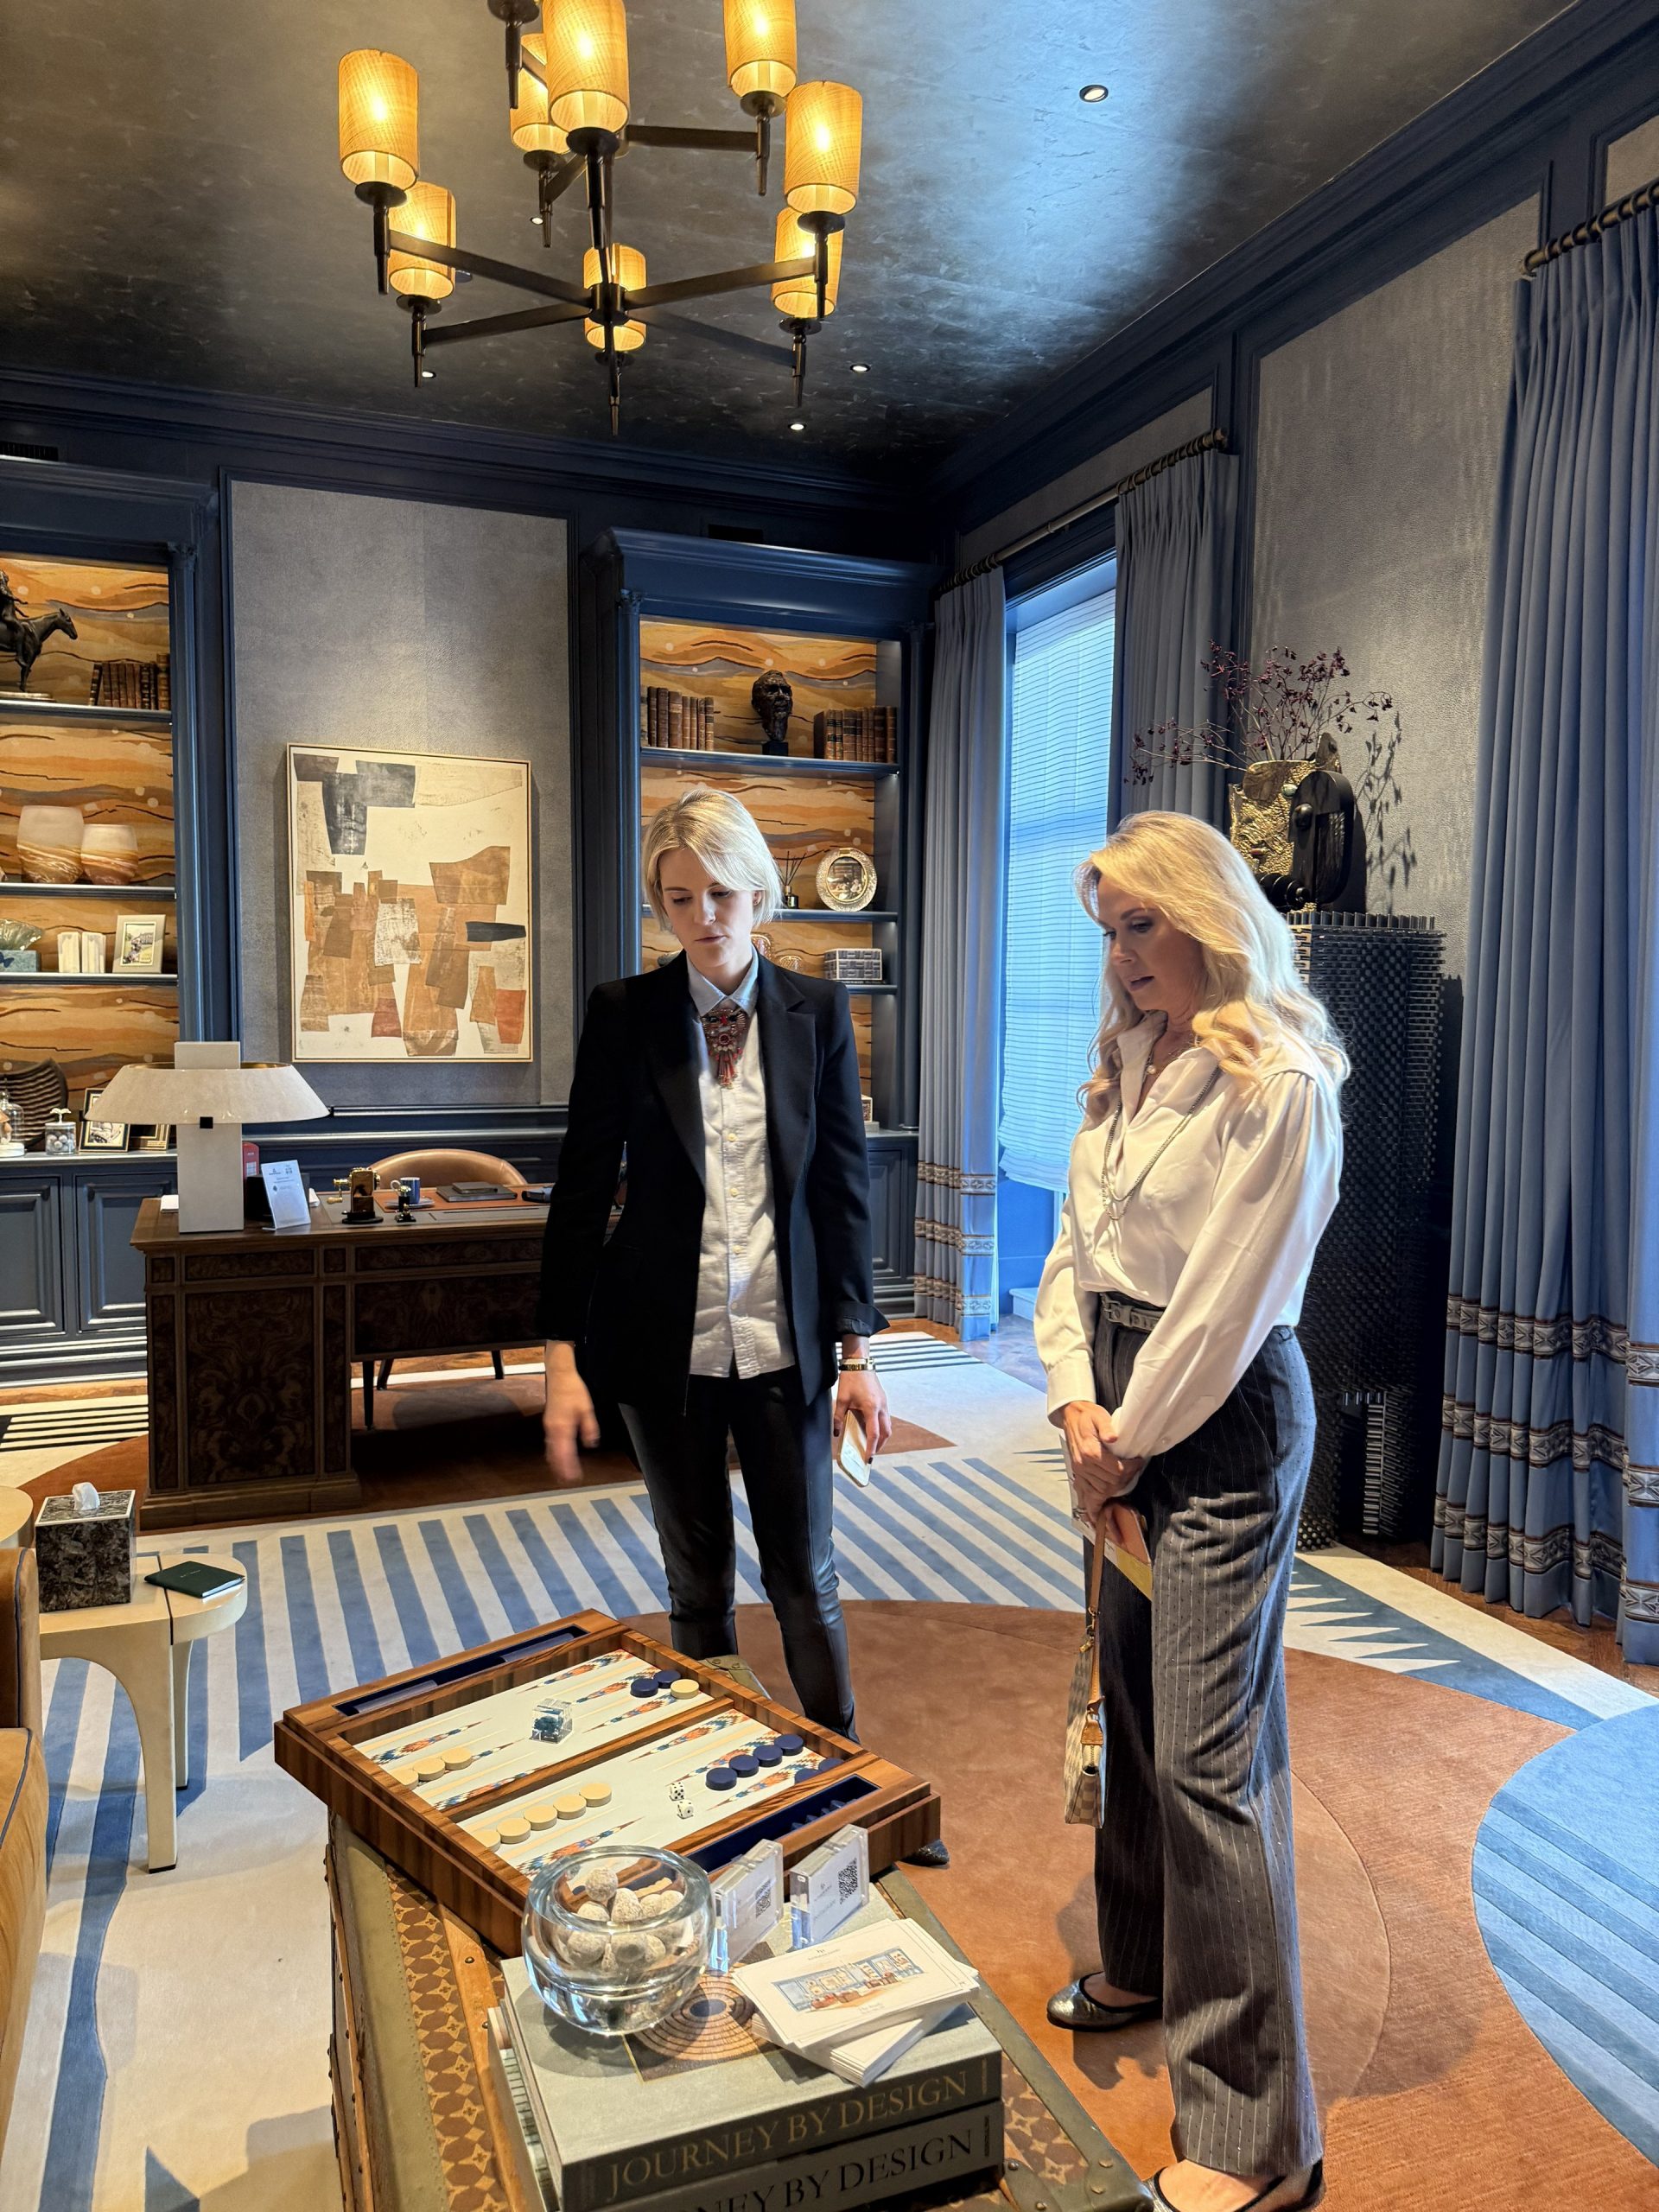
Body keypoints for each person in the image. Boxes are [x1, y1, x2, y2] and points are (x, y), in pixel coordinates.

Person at [1033, 811, 1345, 2212]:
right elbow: (1071, 1250)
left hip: (1213, 1423)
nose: (1122, 958)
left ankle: (1256, 2138)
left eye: (1139, 926)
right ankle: (1146, 1960)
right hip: (1116, 1398)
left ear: (1209, 915)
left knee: (1210, 1763)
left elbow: (1225, 1308)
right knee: (1138, 1706)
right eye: (1108, 934)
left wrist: (1123, 1444)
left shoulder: (1280, 1082)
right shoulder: (1128, 1060)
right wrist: (1068, 1404)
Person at [537, 785, 890, 1736]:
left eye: (721, 894)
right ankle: (710, 1779)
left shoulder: (818, 1012)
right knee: (695, 1583)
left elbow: (843, 1192)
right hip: (666, 1346)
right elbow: (579, 1190)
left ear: (759, 898)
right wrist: (561, 1355)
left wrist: (856, 1354)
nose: (701, 917)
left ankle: (844, 1772)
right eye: (678, 897)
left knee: (804, 1577)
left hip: (785, 1343)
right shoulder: (625, 1014)